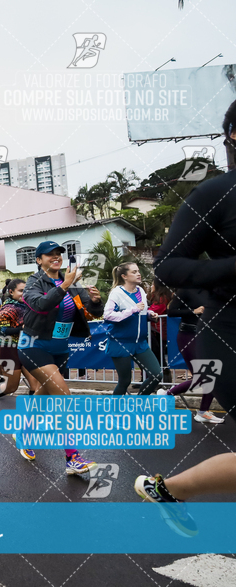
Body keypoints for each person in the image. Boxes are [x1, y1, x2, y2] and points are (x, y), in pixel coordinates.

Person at [134, 99, 236, 518]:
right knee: (166, 377)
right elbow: (170, 266)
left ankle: (167, 490)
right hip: (230, 331)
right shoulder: (216, 193)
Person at [17, 240, 103, 473]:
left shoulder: (73, 283)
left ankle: (24, 434)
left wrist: (95, 301)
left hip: (60, 348)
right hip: (34, 346)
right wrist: (65, 284)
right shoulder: (34, 282)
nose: (56, 257)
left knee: (44, 399)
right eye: (49, 255)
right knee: (64, 397)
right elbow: (41, 305)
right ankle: (72, 458)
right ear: (39, 260)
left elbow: (92, 311)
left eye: (58, 254)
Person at [0, 279, 40, 417]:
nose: (24, 293)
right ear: (11, 292)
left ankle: (31, 418)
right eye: (21, 291)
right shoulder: (8, 308)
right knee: (11, 387)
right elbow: (1, 330)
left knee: (35, 385)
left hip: (26, 348)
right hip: (8, 348)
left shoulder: (28, 306)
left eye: (26, 290)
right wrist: (21, 328)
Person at [104, 263, 163, 396]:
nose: (138, 274)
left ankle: (138, 404)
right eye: (134, 272)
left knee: (156, 375)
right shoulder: (117, 293)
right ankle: (114, 412)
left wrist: (149, 315)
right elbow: (108, 315)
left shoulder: (140, 291)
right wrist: (132, 310)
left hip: (140, 343)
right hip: (121, 343)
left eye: (138, 271)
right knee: (125, 381)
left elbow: (142, 311)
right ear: (124, 276)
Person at [166, 289, 222, 423]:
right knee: (205, 376)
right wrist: (194, 311)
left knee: (210, 375)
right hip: (188, 335)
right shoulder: (186, 290)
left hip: (207, 336)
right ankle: (169, 394)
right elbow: (171, 312)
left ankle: (202, 411)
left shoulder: (213, 292)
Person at [148, 278, 173, 384]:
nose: (150, 286)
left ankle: (163, 380)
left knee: (158, 356)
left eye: (152, 284)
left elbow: (154, 310)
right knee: (155, 356)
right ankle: (150, 379)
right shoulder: (155, 297)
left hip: (158, 331)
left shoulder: (162, 298)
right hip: (154, 331)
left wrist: (145, 310)